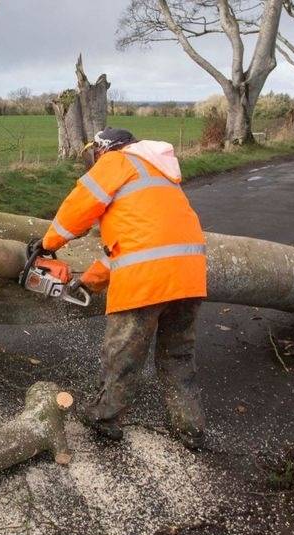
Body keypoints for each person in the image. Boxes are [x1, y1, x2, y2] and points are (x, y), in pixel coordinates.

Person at [32, 127, 207, 449]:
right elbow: (129, 249)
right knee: (178, 356)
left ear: (103, 149)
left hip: (147, 282)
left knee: (123, 354)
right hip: (189, 277)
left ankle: (105, 418)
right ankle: (190, 428)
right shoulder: (160, 173)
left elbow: (78, 207)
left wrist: (46, 243)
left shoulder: (117, 162)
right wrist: (88, 282)